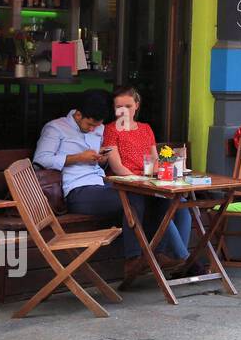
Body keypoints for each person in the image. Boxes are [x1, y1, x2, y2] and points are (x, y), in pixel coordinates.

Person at [34, 89, 184, 279]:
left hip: (101, 183)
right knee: (133, 197)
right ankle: (133, 259)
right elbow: (41, 159)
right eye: (89, 125)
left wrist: (101, 158)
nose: (92, 129)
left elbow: (101, 160)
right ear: (78, 115)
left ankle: (158, 254)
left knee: (157, 197)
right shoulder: (56, 128)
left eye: (96, 126)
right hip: (76, 190)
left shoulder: (99, 128)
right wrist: (78, 158)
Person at [103, 86, 191, 268]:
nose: (123, 111)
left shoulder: (145, 129)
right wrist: (143, 181)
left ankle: (172, 257)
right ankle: (185, 260)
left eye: (128, 106)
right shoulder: (111, 130)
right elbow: (117, 167)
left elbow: (155, 160)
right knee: (150, 205)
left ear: (136, 105)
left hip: (150, 181)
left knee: (181, 206)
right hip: (129, 184)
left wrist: (163, 175)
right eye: (119, 107)